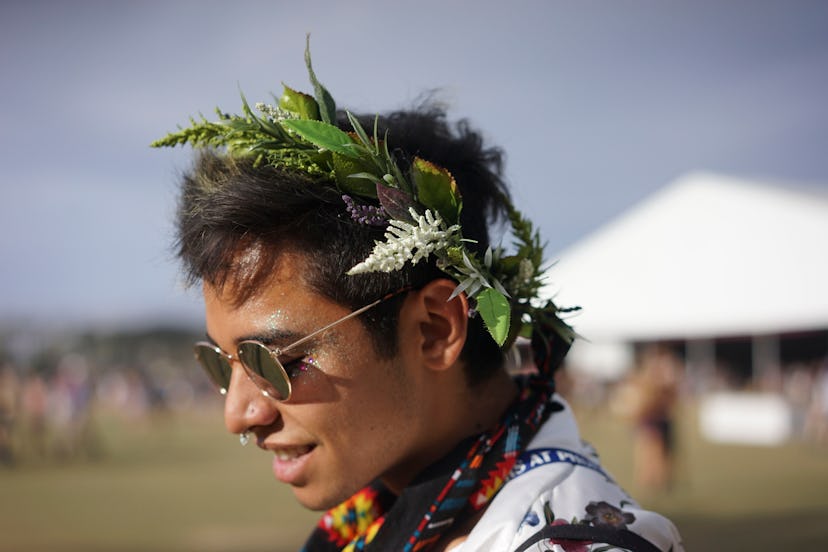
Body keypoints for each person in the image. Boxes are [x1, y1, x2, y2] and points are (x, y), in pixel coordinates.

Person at [154, 42, 683, 552]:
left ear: (435, 328)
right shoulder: (380, 516)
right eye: (222, 364)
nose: (238, 415)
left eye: (275, 359)